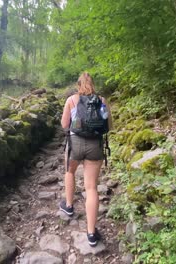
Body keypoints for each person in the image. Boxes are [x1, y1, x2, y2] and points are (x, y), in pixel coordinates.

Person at [59, 72, 112, 247]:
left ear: (78, 84)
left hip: (75, 144)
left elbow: (64, 124)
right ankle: (91, 233)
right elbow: (109, 126)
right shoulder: (102, 100)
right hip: (95, 146)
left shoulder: (71, 100)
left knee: (70, 171)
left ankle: (68, 206)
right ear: (93, 84)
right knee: (91, 188)